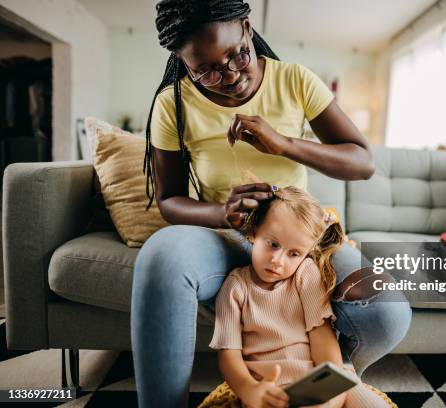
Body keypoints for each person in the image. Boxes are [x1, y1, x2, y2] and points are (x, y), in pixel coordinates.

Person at [131, 1, 412, 407]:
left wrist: (286, 145)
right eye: (206, 70)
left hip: (297, 242)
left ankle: (323, 381)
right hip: (222, 238)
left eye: (236, 55)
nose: (229, 76)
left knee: (389, 313)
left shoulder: (295, 80)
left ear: (247, 28)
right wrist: (220, 213)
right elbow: (169, 201)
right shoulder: (172, 104)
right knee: (161, 256)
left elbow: (363, 162)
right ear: (181, 60)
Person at [210, 186, 389, 407]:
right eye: (273, 244)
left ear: (305, 253)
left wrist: (331, 386)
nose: (278, 260)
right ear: (254, 232)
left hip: (317, 378)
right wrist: (249, 389)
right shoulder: (235, 287)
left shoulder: (305, 273)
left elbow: (322, 336)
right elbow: (229, 356)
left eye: (293, 253)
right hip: (273, 389)